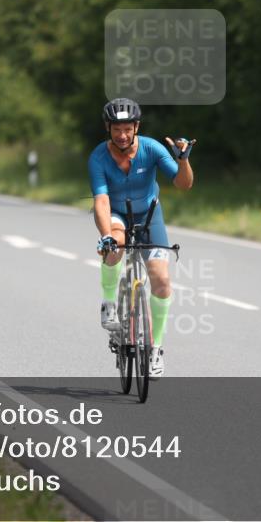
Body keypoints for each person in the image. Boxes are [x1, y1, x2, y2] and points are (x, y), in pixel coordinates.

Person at [88, 98, 195, 378]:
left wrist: (183, 161)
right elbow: (100, 201)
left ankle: (156, 348)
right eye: (116, 129)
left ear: (136, 127)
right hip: (117, 214)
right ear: (108, 129)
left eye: (127, 129)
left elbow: (183, 184)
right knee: (116, 246)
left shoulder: (152, 149)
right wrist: (106, 236)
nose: (122, 135)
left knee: (161, 280)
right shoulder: (98, 157)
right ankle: (109, 303)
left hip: (149, 215)